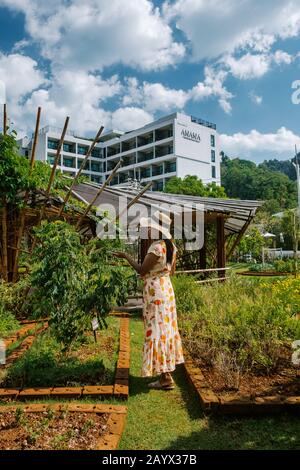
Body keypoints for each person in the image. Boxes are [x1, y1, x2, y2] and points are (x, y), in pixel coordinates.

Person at [112, 211, 184, 390]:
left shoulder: (157, 247)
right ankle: (166, 375)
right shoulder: (171, 247)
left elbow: (142, 270)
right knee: (165, 330)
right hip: (166, 289)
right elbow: (171, 272)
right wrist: (155, 275)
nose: (148, 230)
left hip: (156, 293)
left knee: (156, 331)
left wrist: (125, 256)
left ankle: (165, 378)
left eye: (150, 227)